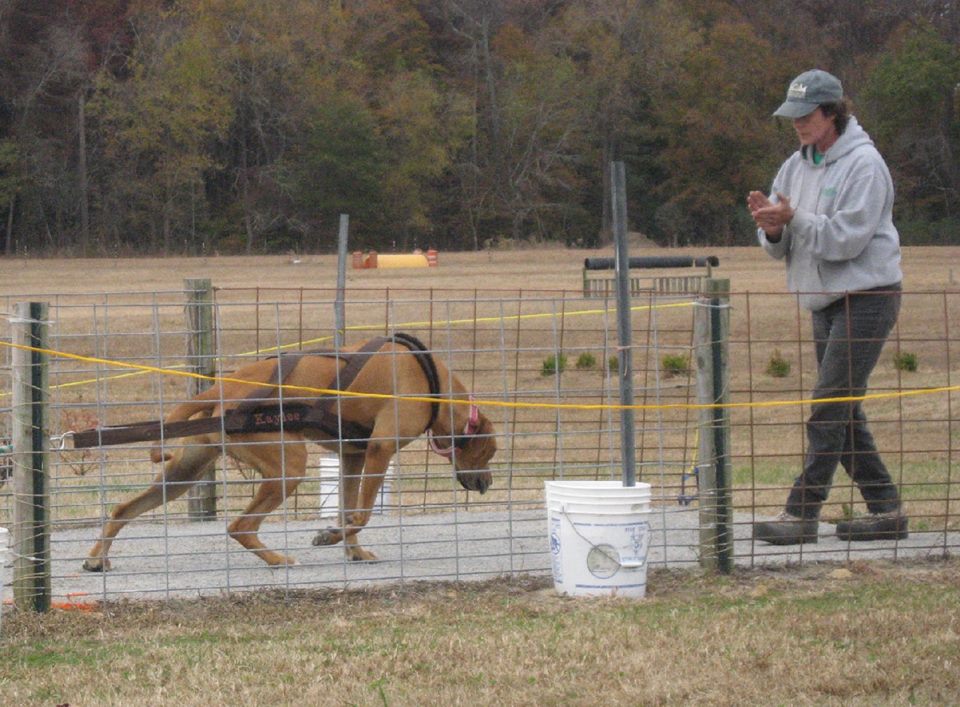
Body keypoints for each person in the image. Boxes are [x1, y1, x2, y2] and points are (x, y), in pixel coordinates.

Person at [748, 69, 908, 544]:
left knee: (828, 406)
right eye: (791, 115)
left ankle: (802, 513)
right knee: (843, 410)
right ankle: (887, 511)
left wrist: (795, 219)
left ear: (832, 112)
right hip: (823, 299)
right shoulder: (793, 167)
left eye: (806, 114)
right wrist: (773, 227)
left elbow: (846, 241)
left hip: (869, 296)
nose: (796, 123)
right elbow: (776, 243)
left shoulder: (865, 165)